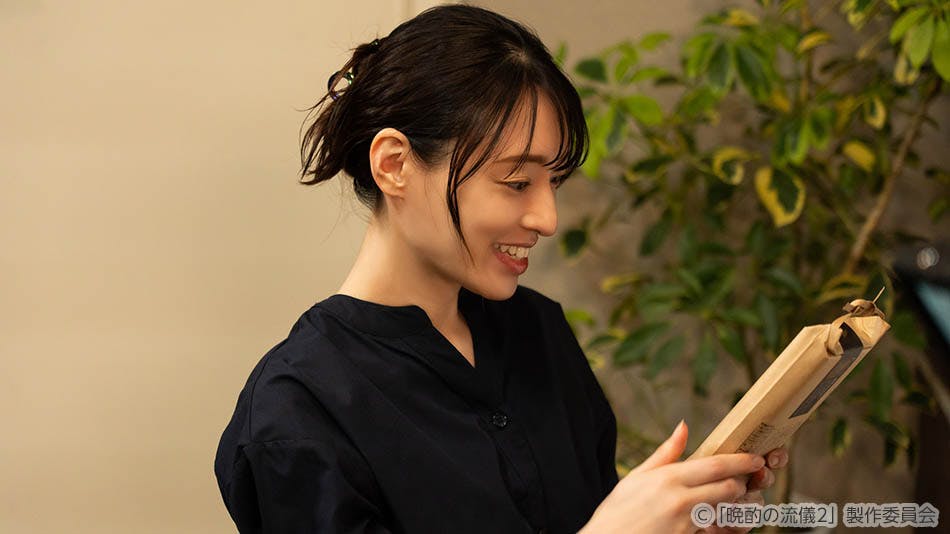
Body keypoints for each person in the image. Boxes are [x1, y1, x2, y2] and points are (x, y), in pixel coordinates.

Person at [213, 4, 788, 533]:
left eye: (553, 182)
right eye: (516, 182)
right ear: (395, 165)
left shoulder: (538, 331)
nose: (547, 218)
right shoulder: (298, 411)